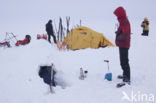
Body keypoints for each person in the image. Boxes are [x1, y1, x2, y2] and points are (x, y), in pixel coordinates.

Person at [113, 7, 131, 84]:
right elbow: (122, 30)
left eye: (117, 15)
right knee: (123, 61)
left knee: (124, 62)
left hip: (124, 44)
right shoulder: (123, 21)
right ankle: (125, 74)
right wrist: (118, 32)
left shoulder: (124, 21)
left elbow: (125, 32)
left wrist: (119, 37)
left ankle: (127, 78)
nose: (116, 16)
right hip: (122, 43)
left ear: (120, 14)